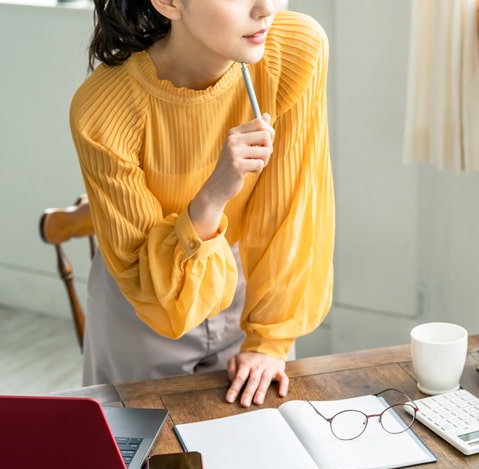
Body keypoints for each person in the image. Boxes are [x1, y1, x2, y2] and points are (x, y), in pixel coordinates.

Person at [69, 0, 334, 408]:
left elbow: (291, 208)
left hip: (248, 286)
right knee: (146, 463)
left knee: (256, 450)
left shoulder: (295, 50)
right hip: (143, 302)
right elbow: (149, 283)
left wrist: (270, 340)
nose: (266, 9)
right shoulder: (103, 111)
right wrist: (215, 193)